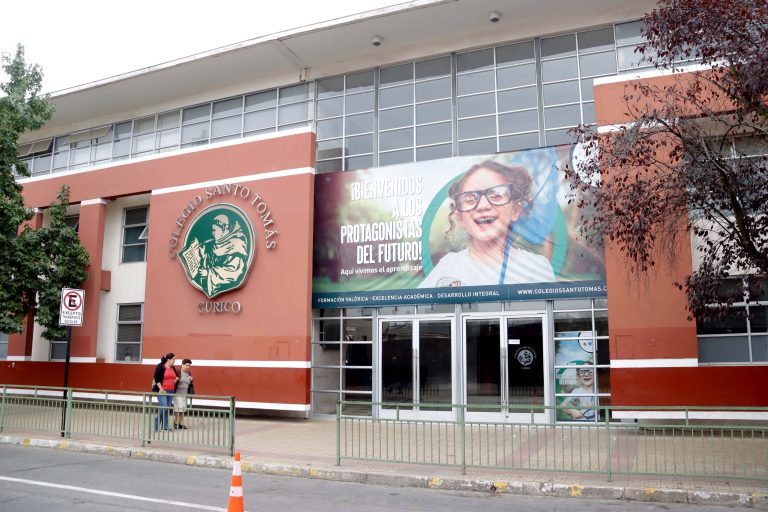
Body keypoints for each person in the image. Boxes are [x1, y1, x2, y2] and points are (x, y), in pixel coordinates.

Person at [420, 160, 555, 288]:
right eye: (471, 198)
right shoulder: (448, 266)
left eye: (496, 195)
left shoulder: (536, 267)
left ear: (515, 210)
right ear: (460, 218)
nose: (483, 206)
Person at [196, 214, 249, 297]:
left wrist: (208, 273)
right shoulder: (209, 245)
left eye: (214, 230)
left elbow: (235, 272)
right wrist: (202, 257)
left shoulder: (236, 245)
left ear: (223, 228)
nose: (212, 233)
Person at [152, 353, 179, 431]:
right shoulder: (160, 366)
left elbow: (173, 379)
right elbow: (157, 379)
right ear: (168, 360)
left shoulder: (173, 368)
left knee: (167, 409)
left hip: (171, 390)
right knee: (164, 407)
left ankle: (165, 427)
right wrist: (161, 389)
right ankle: (157, 422)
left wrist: (175, 380)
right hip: (162, 391)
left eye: (174, 360)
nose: (174, 361)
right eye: (173, 359)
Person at [173, 359, 195, 429]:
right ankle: (176, 422)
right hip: (177, 393)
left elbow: (189, 383)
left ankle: (181, 423)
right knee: (178, 408)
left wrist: (191, 380)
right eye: (186, 365)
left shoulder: (188, 373)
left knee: (183, 408)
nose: (188, 367)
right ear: (182, 364)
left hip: (184, 393)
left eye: (189, 365)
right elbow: (175, 381)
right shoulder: (178, 372)